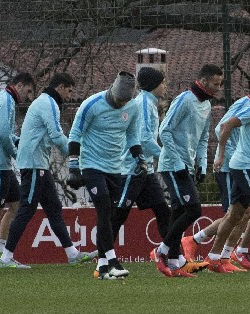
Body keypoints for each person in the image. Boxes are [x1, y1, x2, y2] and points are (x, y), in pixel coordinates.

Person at [181, 71, 250, 272]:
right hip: (238, 165)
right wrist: (223, 154)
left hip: (245, 164)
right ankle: (239, 251)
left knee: (237, 214)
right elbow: (224, 126)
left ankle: (215, 256)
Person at [0, 73, 97, 268]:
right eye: (69, 90)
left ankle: (72, 253)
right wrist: (75, 154)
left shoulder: (44, 102)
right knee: (26, 210)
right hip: (34, 166)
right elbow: (56, 135)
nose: (70, 95)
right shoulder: (49, 103)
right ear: (60, 87)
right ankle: (5, 258)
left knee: (54, 210)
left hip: (39, 165)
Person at [68, 71, 144, 280]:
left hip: (115, 167)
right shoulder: (91, 104)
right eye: (119, 100)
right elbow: (75, 135)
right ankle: (112, 261)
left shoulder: (133, 107)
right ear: (112, 91)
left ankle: (102, 268)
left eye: (125, 101)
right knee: (103, 207)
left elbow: (132, 136)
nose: (121, 104)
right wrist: (73, 168)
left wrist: (140, 159)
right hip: (91, 165)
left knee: (109, 213)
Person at [152, 64, 223, 278]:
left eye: (220, 85)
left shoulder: (207, 105)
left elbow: (202, 139)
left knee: (179, 211)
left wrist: (201, 164)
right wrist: (179, 162)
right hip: (173, 166)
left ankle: (174, 262)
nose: (218, 88)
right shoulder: (184, 100)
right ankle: (161, 251)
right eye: (216, 84)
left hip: (187, 166)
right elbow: (164, 131)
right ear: (203, 80)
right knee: (193, 209)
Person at [111, 68, 171, 252]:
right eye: (162, 83)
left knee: (162, 210)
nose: (165, 86)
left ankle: (173, 255)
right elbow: (144, 137)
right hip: (132, 168)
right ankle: (104, 255)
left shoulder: (150, 103)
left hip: (145, 170)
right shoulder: (143, 102)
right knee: (119, 213)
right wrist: (165, 156)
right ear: (154, 85)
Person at [0, 73, 35, 269]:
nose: (28, 96)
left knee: (16, 205)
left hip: (1, 165)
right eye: (28, 91)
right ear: (19, 85)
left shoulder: (3, 99)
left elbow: (6, 133)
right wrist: (17, 155)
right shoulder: (6, 101)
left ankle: (1, 255)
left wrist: (19, 141)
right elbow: (3, 135)